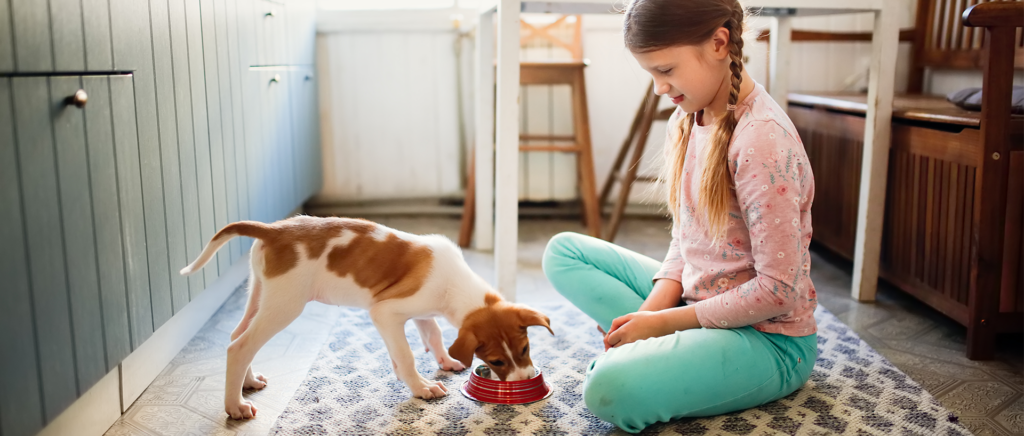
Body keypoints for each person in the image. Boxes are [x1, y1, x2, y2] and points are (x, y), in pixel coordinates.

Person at [541, 0, 819, 432]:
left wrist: (665, 323)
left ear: (719, 43)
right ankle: (668, 352)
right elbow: (688, 239)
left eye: (666, 71)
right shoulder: (688, 117)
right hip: (697, 301)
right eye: (651, 73)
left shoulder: (762, 141)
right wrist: (652, 317)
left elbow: (780, 291)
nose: (658, 88)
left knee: (608, 389)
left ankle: (657, 360)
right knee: (563, 252)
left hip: (768, 340)